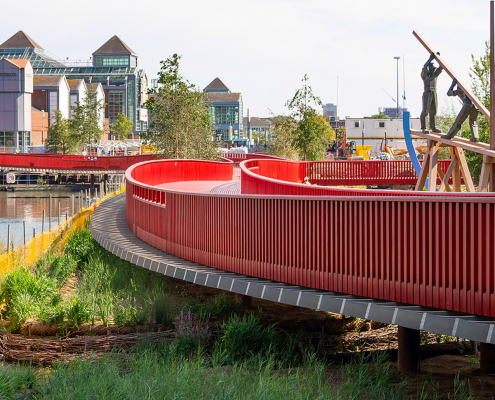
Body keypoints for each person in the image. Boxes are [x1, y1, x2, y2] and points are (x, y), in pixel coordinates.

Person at [420, 52, 443, 132]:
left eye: (434, 69)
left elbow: (441, 68)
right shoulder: (425, 76)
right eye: (432, 68)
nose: (433, 70)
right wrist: (430, 59)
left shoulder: (435, 76)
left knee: (434, 111)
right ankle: (424, 128)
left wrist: (439, 58)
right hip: (427, 93)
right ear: (430, 68)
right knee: (425, 110)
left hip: (434, 94)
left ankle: (433, 127)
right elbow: (424, 67)